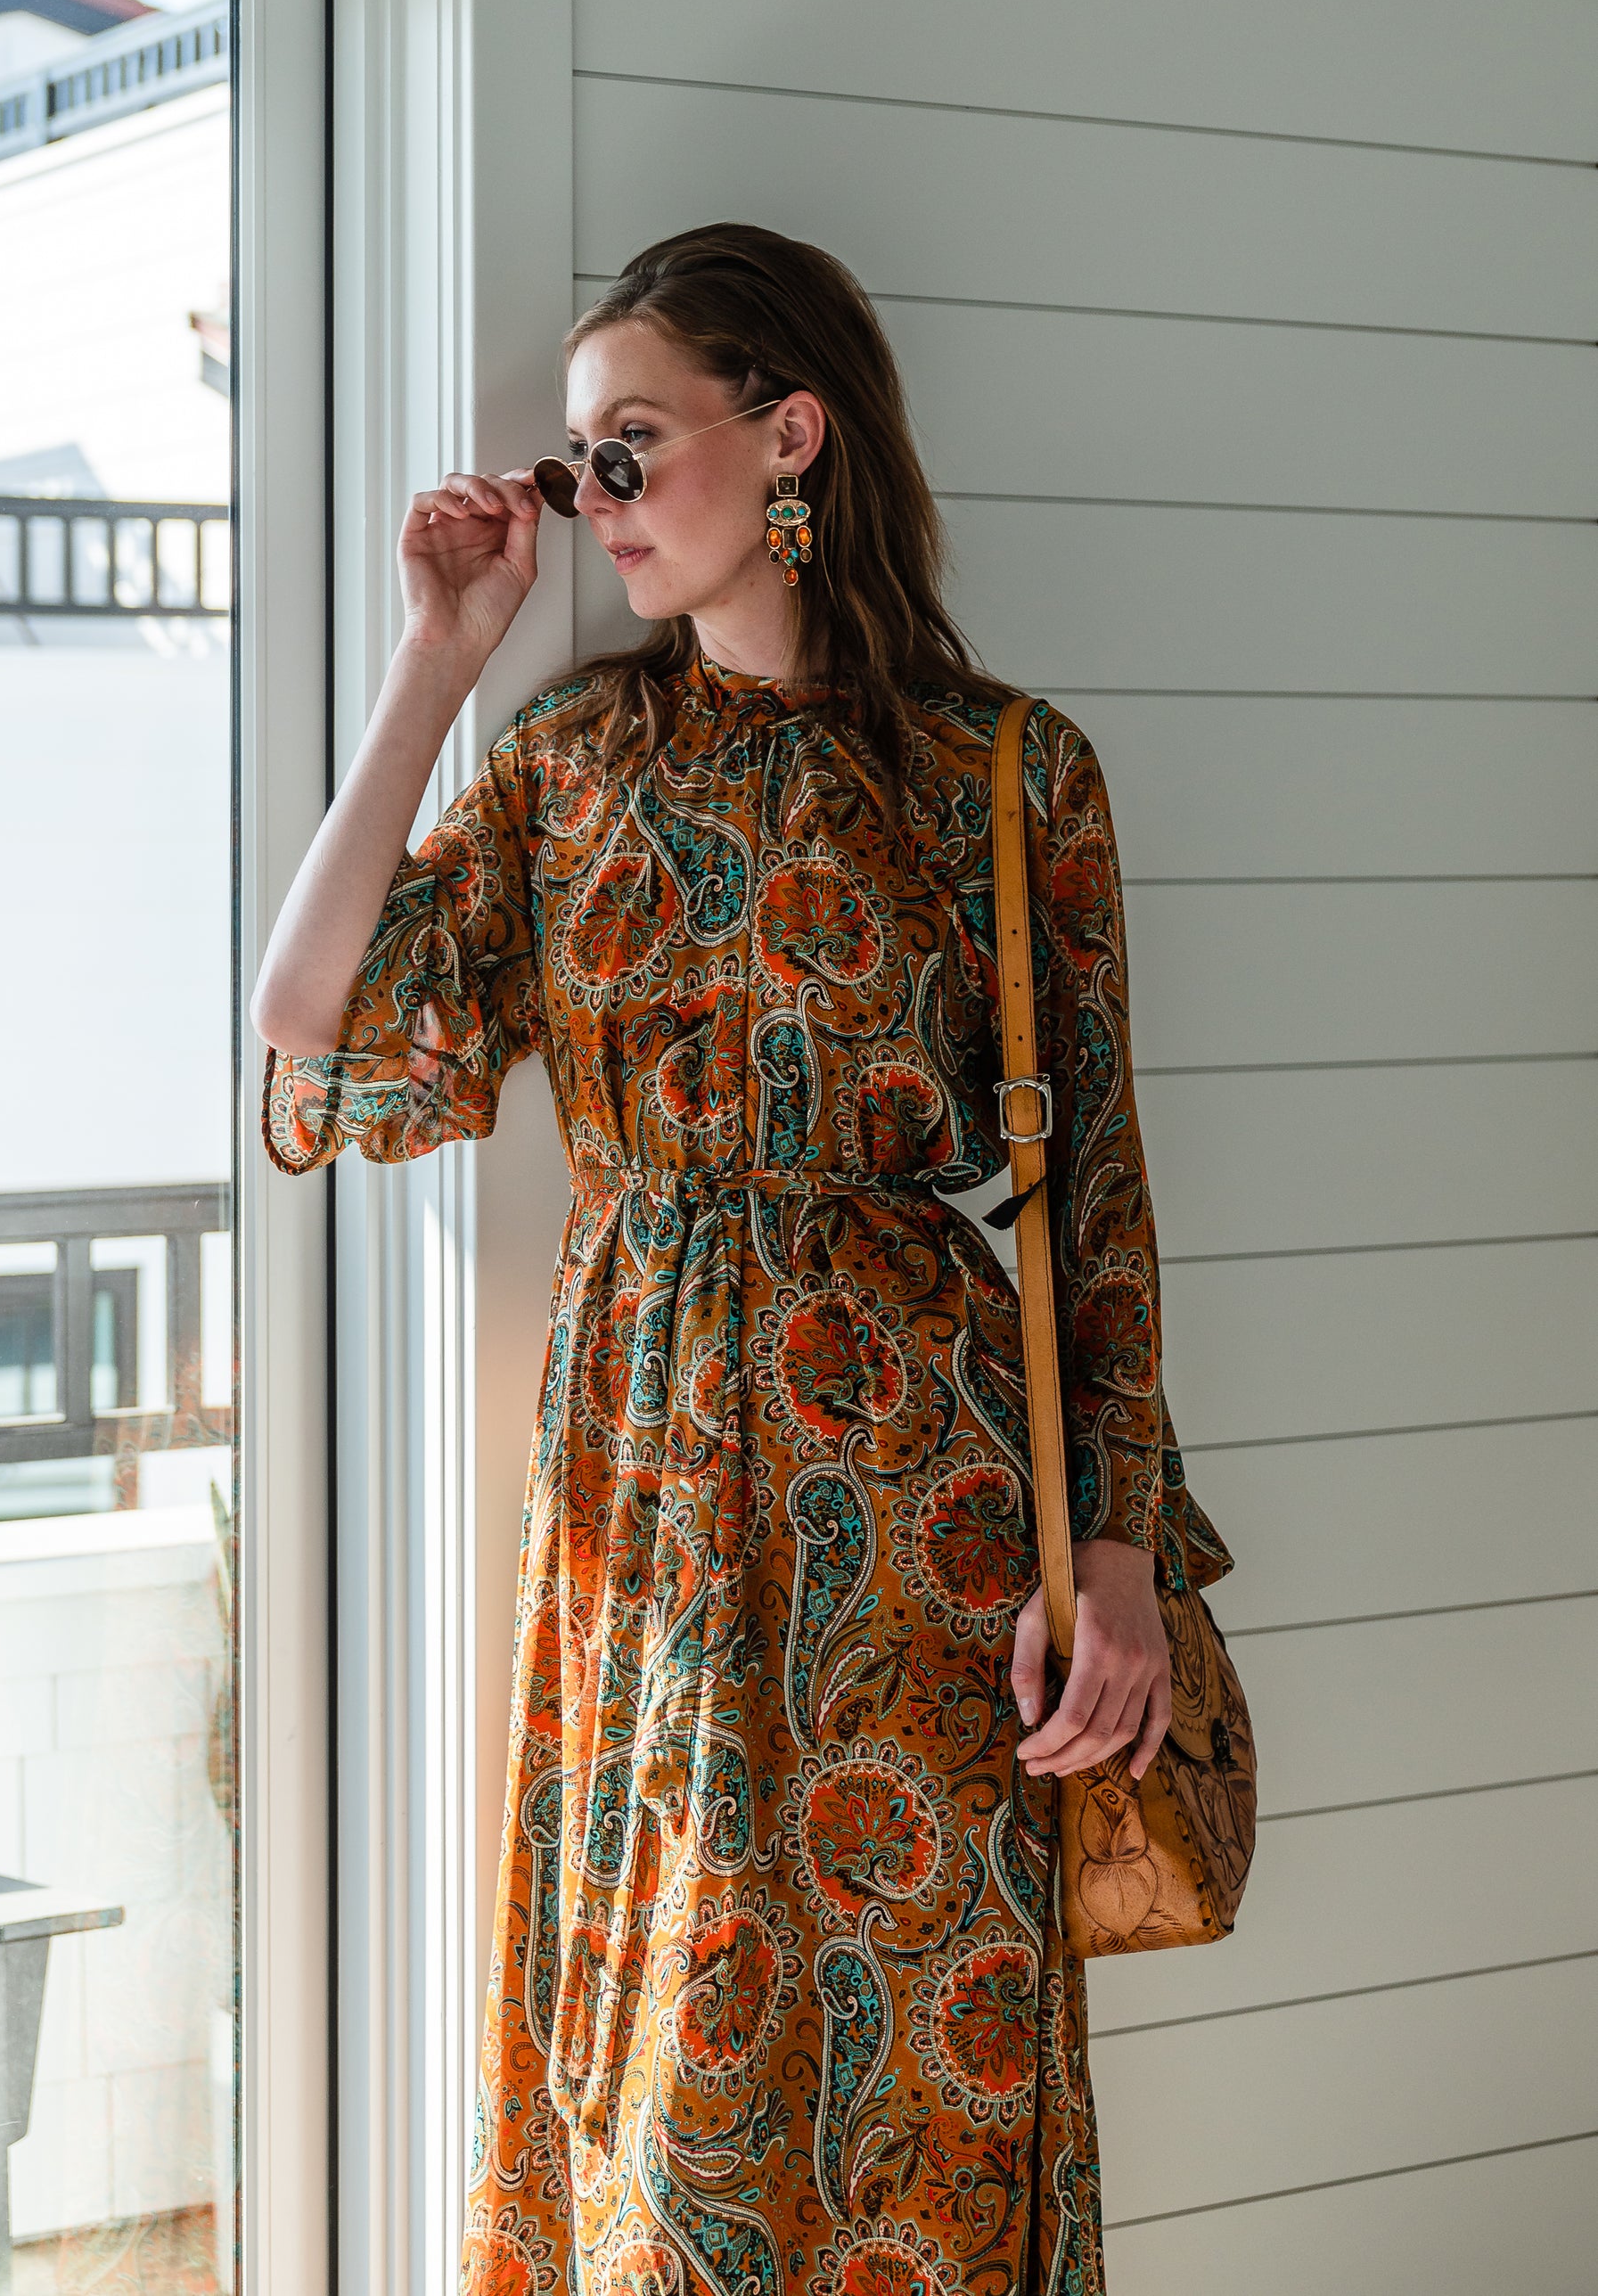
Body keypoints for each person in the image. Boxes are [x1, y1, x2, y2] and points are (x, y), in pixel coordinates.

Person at [252, 223, 1234, 2295]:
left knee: (925, 2089)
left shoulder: (1004, 770)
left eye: (631, 452)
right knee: (667, 2067)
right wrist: (437, 657)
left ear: (787, 438)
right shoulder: (571, 774)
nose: (593, 501)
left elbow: (1100, 1202)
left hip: (933, 1521)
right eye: (576, 463)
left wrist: (1119, 1555)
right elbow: (314, 1030)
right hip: (645, 1504)